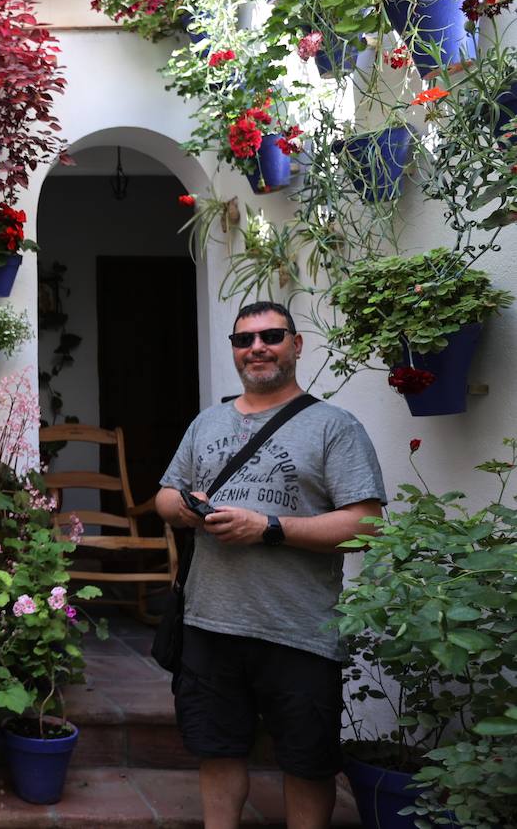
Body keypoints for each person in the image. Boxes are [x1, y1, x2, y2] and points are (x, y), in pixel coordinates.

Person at [154, 301, 385, 829]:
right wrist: (188, 509)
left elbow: (368, 525)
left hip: (298, 628)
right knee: (217, 750)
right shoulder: (206, 421)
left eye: (271, 336)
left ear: (296, 345)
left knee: (307, 762)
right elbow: (165, 498)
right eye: (244, 340)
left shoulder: (334, 426)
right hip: (209, 621)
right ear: (234, 351)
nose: (256, 348)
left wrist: (270, 528)